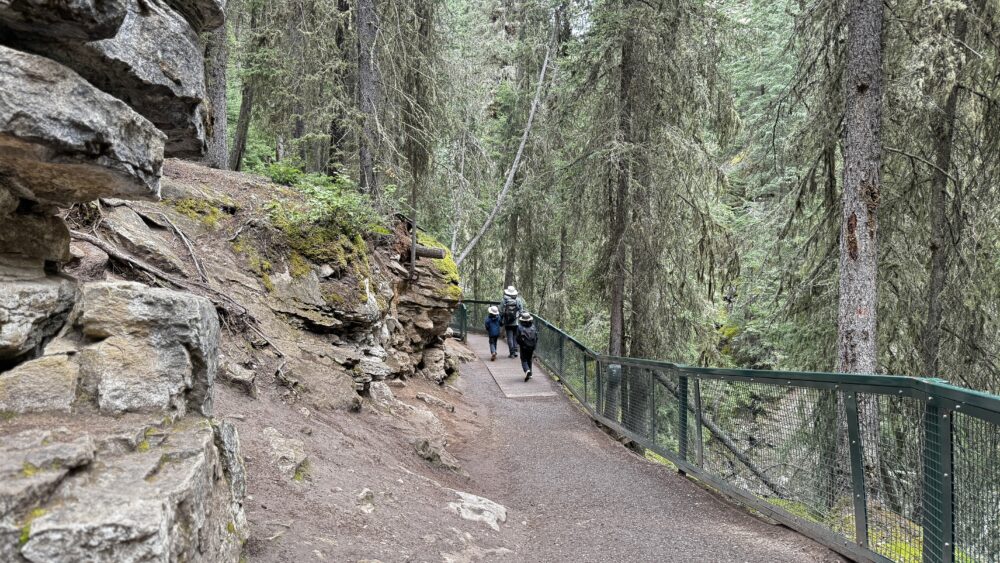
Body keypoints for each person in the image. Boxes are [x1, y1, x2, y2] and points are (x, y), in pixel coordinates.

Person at [500, 286, 526, 358]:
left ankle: (511, 353)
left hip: (507, 322)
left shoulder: (504, 300)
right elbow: (521, 310)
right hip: (516, 321)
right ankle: (515, 351)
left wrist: (501, 319)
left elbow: (501, 311)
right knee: (515, 337)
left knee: (509, 337)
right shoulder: (518, 300)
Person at [515, 311, 538, 382]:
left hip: (524, 347)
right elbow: (536, 337)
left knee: (524, 359)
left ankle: (527, 370)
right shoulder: (533, 327)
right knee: (529, 359)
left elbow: (517, 338)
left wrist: (520, 344)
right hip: (531, 346)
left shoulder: (520, 327)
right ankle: (530, 373)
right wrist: (534, 345)